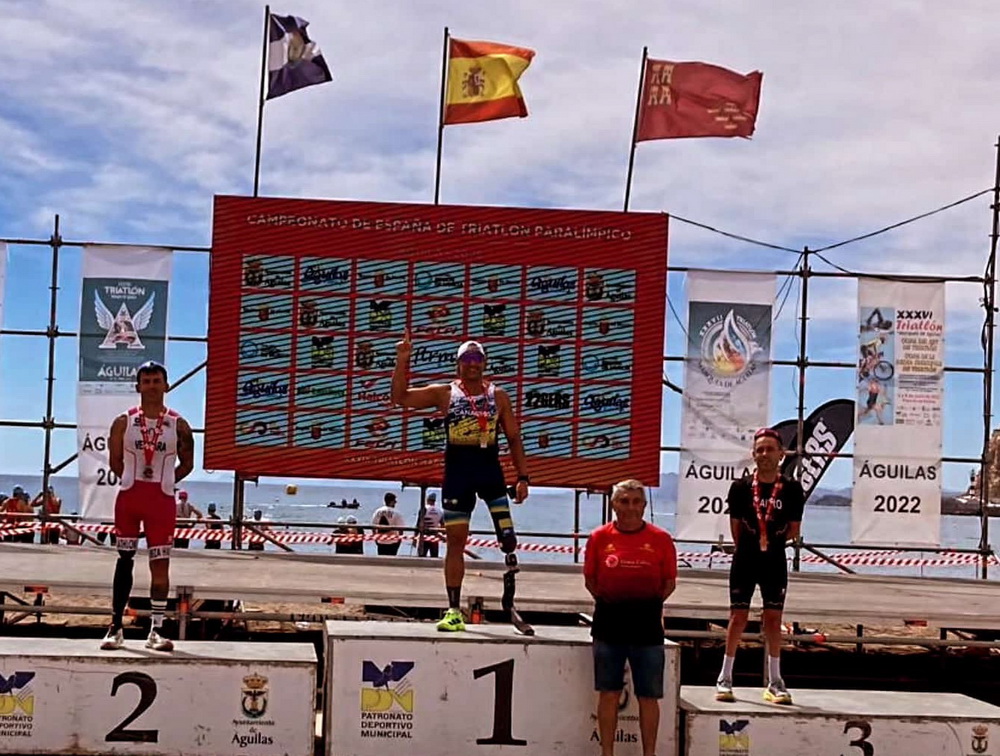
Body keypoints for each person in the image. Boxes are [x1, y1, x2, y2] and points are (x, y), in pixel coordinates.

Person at [392, 335, 530, 632]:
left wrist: (523, 477)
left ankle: (511, 591)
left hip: (490, 472)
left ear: (485, 363)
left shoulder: (498, 396)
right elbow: (400, 397)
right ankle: (454, 610)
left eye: (477, 358)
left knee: (507, 538)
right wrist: (402, 360)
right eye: (466, 359)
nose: (472, 364)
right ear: (458, 364)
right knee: (455, 543)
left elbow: (514, 437)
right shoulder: (445, 393)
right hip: (458, 475)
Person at [101, 361, 194, 652]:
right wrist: (132, 479)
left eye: (156, 381)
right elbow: (115, 461)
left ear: (167, 385)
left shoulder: (179, 424)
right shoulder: (123, 421)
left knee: (160, 565)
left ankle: (157, 630)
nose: (152, 386)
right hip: (130, 497)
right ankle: (116, 627)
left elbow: (188, 463)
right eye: (147, 381)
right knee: (124, 559)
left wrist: (165, 481)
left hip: (161, 501)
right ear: (138, 386)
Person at [584, 479, 677, 756]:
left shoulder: (661, 539)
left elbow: (669, 583)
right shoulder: (599, 538)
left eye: (636, 502)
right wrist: (615, 601)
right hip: (608, 622)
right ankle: (607, 753)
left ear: (645, 506)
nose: (630, 507)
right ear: (613, 504)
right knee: (608, 693)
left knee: (648, 696)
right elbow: (591, 580)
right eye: (624, 501)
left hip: (647, 624)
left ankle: (650, 753)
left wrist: (644, 604)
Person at [716, 427, 805, 705]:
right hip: (745, 559)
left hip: (774, 559)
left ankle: (775, 680)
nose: (765, 454)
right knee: (738, 617)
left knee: (774, 619)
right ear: (753, 455)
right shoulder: (740, 488)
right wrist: (754, 543)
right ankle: (725, 677)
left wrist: (770, 540)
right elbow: (735, 530)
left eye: (770, 449)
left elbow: (793, 529)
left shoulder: (792, 488)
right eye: (760, 450)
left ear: (781, 454)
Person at [416, 492, 444, 558]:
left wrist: (415, 537)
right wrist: (443, 536)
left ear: (427, 500)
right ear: (434, 501)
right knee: (434, 557)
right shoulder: (439, 511)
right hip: (434, 536)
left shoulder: (424, 509)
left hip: (424, 535)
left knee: (421, 556)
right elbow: (442, 525)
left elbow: (418, 523)